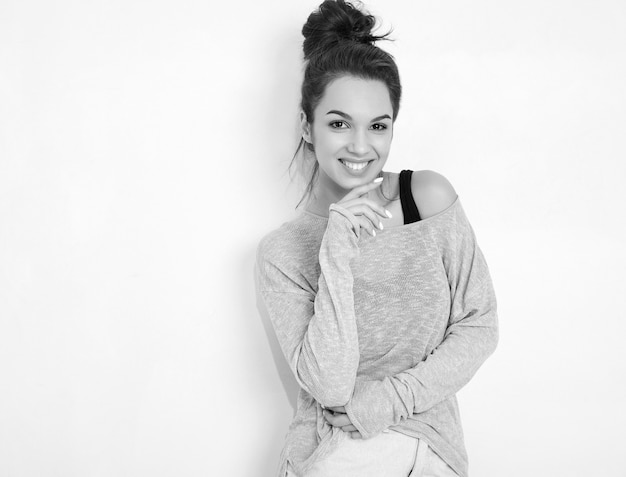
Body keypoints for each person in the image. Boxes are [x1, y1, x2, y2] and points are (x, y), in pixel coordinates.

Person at [255, 1, 498, 476]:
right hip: (335, 454)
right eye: (339, 123)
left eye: (378, 126)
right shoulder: (281, 253)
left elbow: (480, 325)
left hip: (433, 450)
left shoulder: (426, 198)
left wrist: (386, 401)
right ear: (308, 126)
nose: (361, 146)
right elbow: (328, 385)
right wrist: (337, 252)